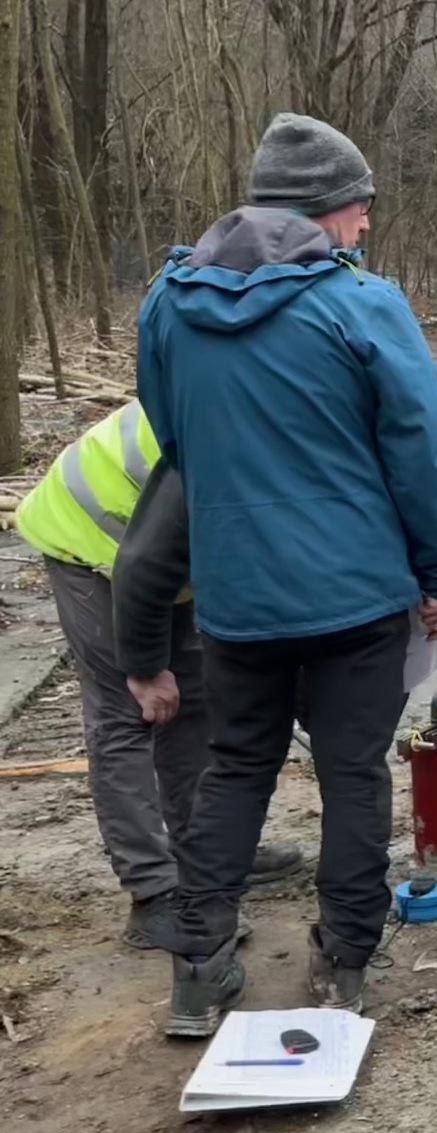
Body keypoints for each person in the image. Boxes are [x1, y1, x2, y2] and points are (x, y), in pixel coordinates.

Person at [136, 112, 437, 1036]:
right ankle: (345, 965)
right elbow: (420, 455)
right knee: (353, 773)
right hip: (357, 595)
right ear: (334, 211)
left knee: (234, 769)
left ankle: (200, 967)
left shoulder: (169, 302)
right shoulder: (362, 303)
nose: (365, 230)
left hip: (238, 600)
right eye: (361, 213)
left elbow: (175, 442)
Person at [11, 404, 304, 950]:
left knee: (192, 700)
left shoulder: (285, 419)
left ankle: (208, 855)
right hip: (93, 539)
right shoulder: (225, 433)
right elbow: (147, 567)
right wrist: (145, 667)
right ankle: (153, 894)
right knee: (130, 709)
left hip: (166, 548)